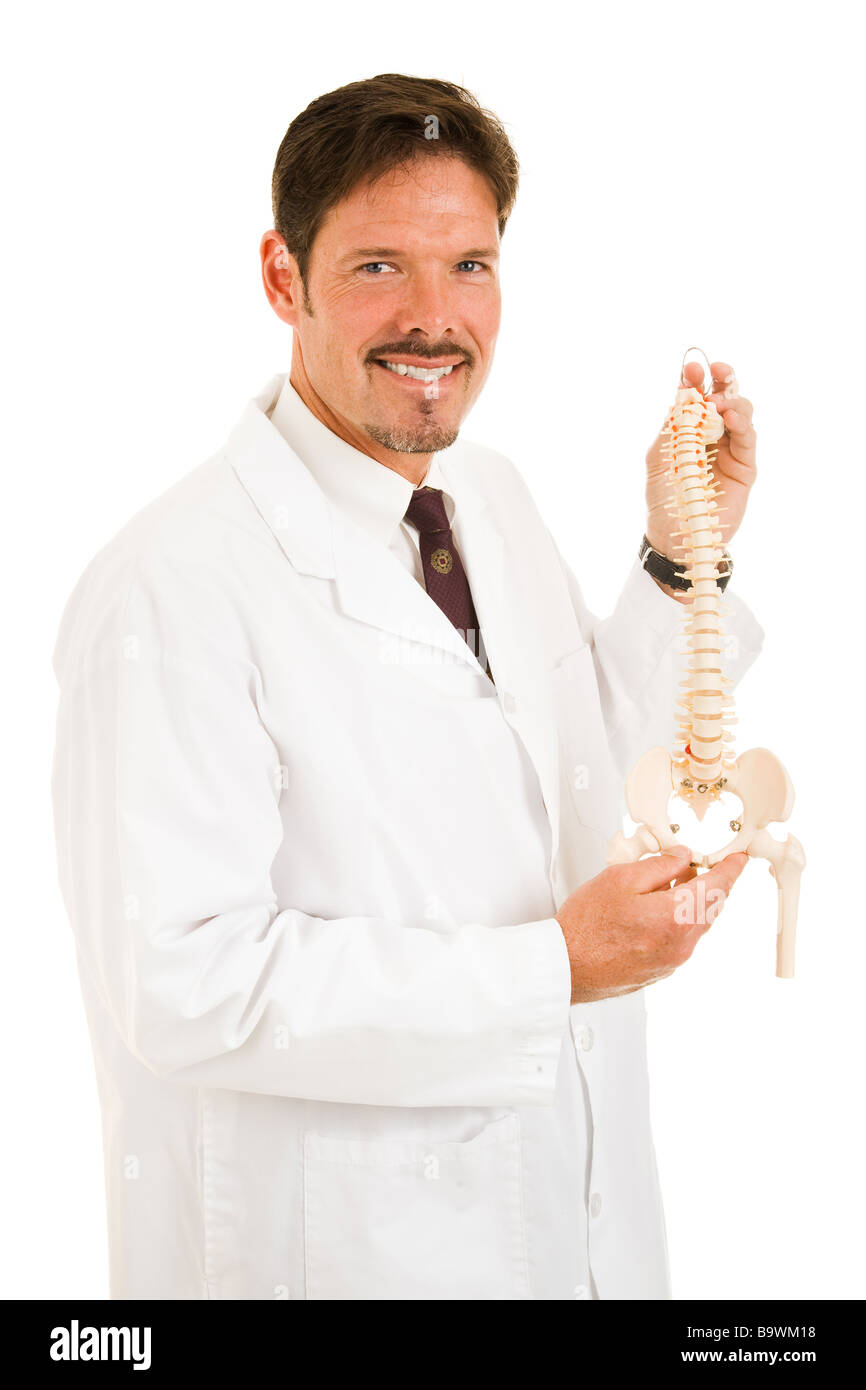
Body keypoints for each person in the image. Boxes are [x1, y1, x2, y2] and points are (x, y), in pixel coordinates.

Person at [50, 73, 763, 1301]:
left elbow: (583, 785)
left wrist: (675, 554)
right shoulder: (169, 586)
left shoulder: (488, 494)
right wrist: (554, 968)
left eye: (470, 266)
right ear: (284, 277)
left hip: (568, 1233)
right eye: (380, 265)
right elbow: (179, 984)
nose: (435, 320)